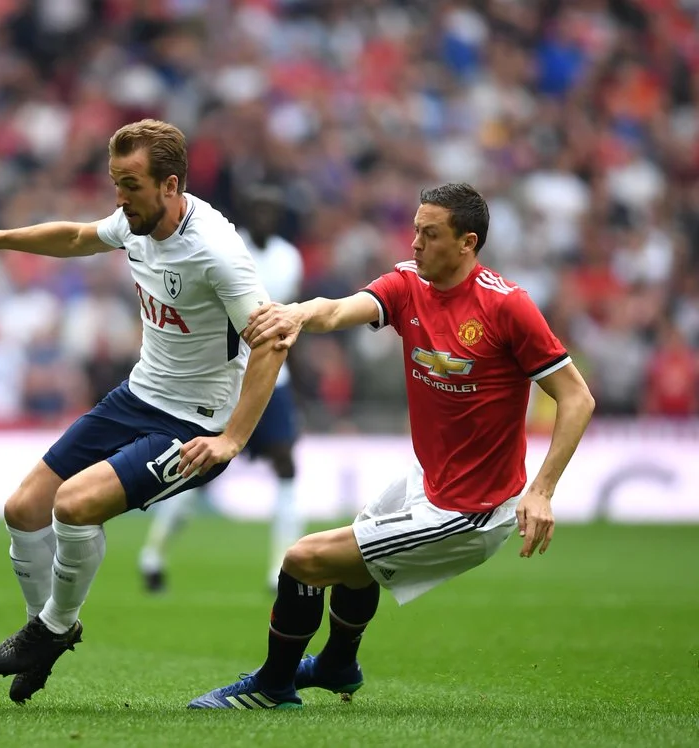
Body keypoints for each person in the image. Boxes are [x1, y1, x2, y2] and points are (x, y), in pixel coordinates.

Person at [188, 183, 595, 709]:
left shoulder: (507, 307)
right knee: (353, 557)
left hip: (472, 510)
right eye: (415, 231)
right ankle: (337, 665)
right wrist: (298, 314)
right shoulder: (408, 283)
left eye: (431, 234)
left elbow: (576, 398)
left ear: (467, 243)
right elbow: (339, 310)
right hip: (426, 481)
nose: (416, 243)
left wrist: (541, 491)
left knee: (303, 560)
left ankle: (273, 686)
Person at [0, 119, 288, 704]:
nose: (119, 198)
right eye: (116, 183)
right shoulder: (136, 220)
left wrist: (231, 439)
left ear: (170, 185)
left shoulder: (216, 252)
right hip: (138, 395)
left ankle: (52, 628)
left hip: (194, 424)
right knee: (23, 509)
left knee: (75, 505)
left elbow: (272, 341)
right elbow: (79, 237)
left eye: (130, 185)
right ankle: (46, 630)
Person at [138, 185, 305, 592]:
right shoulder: (227, 248)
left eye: (271, 210)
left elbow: (285, 322)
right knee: (198, 466)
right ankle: (154, 553)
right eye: (258, 209)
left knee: (286, 464)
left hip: (272, 377)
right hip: (226, 376)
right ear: (247, 213)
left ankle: (281, 568)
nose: (264, 217)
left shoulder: (289, 258)